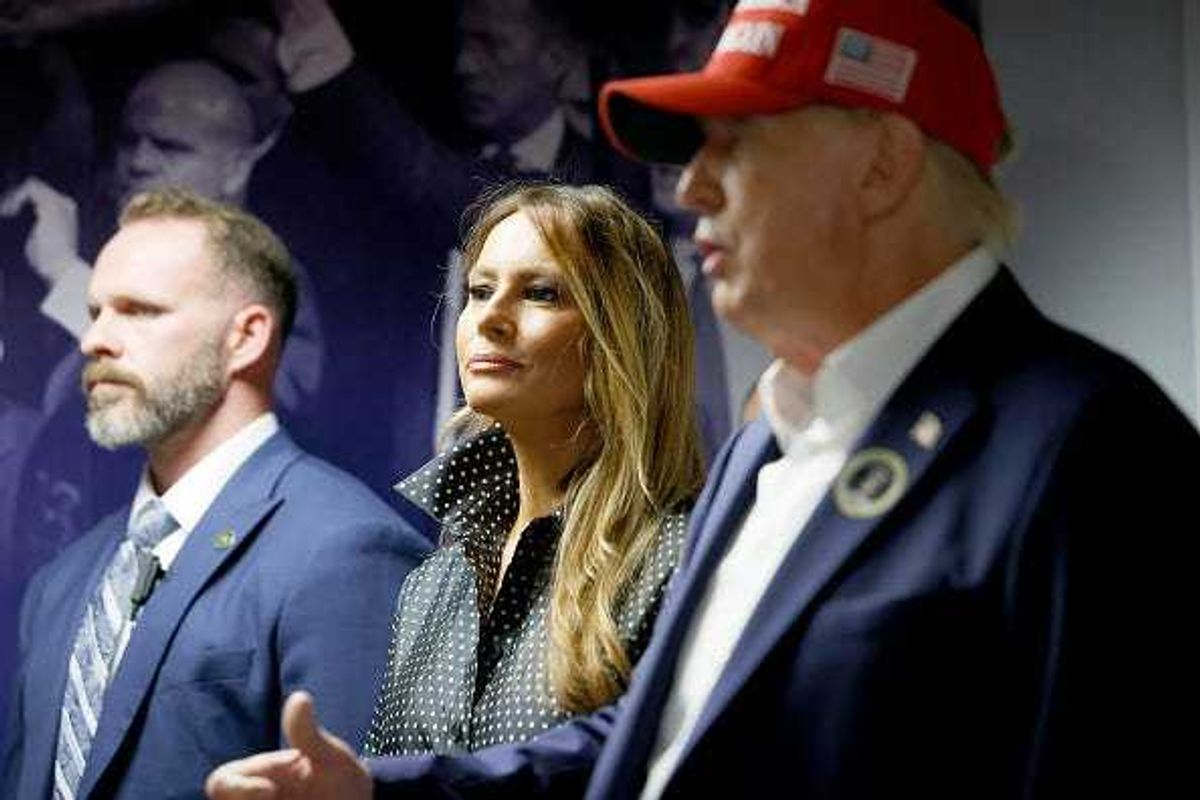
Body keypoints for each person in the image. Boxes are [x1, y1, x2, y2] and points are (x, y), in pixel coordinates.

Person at [207, 1, 1199, 798]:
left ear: (885, 162)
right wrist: (378, 790)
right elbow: (660, 739)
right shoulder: (769, 444)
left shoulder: (1089, 445)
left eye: (739, 143)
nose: (691, 187)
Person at [2, 187, 429, 799]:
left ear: (246, 337)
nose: (95, 341)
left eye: (140, 311)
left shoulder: (346, 552)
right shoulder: (61, 583)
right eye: (96, 312)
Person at [358, 182, 705, 758]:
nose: (490, 317)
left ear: (620, 331)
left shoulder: (680, 558)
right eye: (479, 290)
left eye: (540, 293)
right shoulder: (433, 583)